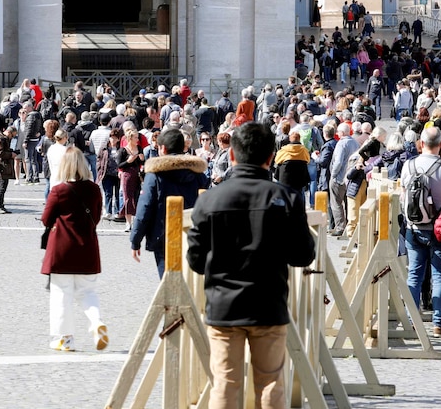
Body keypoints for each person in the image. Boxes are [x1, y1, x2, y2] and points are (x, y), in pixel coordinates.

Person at [187, 123, 316, 409]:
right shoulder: (287, 198)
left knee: (225, 383)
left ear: (232, 156)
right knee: (270, 382)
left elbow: (195, 260)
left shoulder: (209, 200)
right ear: (271, 157)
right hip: (268, 301)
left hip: (224, 305)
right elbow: (302, 256)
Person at [40, 147, 107, 352]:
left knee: (61, 294)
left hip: (62, 249)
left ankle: (65, 338)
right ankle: (96, 323)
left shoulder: (59, 190)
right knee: (88, 292)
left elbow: (46, 219)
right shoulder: (94, 189)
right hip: (86, 247)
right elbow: (96, 218)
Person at [130, 128, 209, 278]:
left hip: (164, 234)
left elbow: (144, 207)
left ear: (163, 148)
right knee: (192, 281)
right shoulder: (197, 174)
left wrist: (135, 240)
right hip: (193, 234)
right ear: (183, 147)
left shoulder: (155, 175)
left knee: (168, 282)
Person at [401, 127, 441, 337]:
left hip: (414, 228)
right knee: (440, 276)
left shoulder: (409, 165)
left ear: (420, 143)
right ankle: (439, 323)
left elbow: (403, 195)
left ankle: (411, 321)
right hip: (439, 229)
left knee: (414, 275)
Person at [117, 128, 145, 232]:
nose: (137, 139)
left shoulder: (139, 148)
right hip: (127, 176)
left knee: (137, 197)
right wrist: (128, 161)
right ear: (130, 138)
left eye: (138, 137)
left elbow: (143, 163)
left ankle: (135, 221)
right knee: (128, 198)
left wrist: (142, 159)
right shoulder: (123, 150)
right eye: (136, 137)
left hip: (137, 175)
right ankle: (128, 223)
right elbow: (119, 165)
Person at [0, 126, 18, 214]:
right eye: (12, 136)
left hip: (4, 165)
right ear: (9, 133)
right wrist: (11, 155)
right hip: (1, 165)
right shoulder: (0, 139)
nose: (12, 138)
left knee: (3, 185)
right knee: (1, 186)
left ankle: (1, 205)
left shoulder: (3, 139)